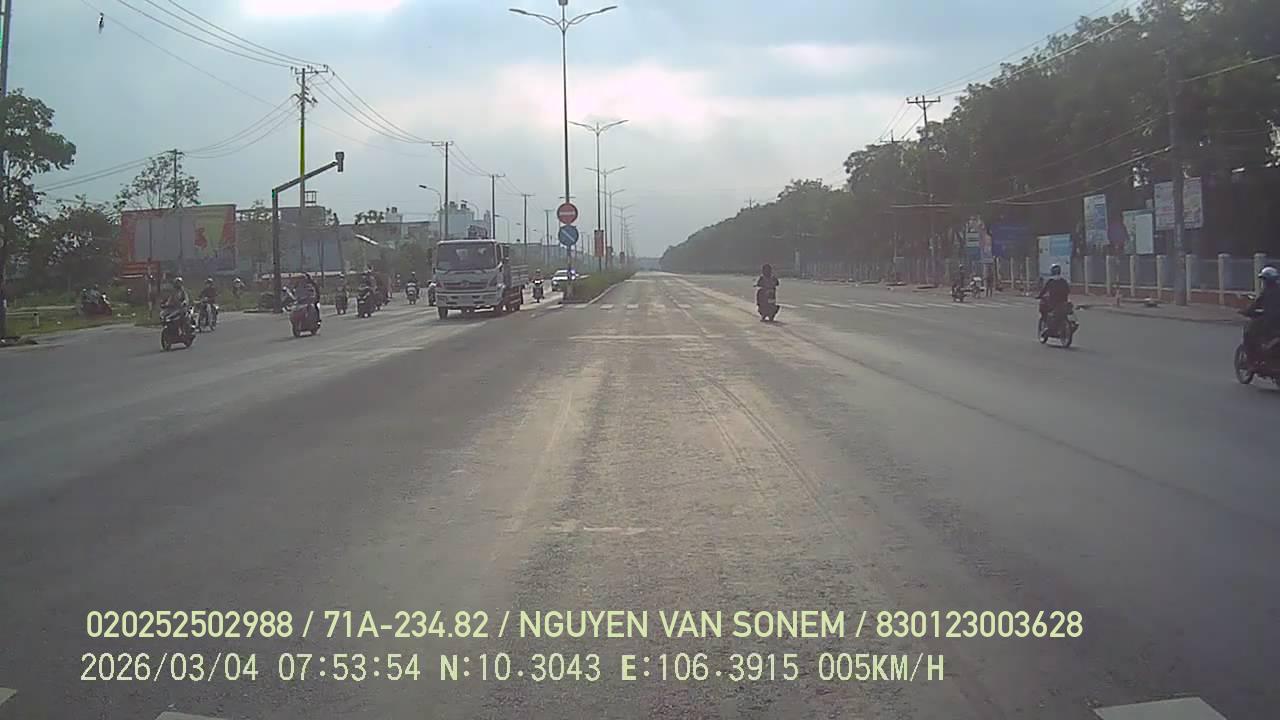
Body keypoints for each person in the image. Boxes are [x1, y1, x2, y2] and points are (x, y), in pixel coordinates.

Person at [1242, 266, 1280, 360]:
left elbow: (1256, 304)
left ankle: (1252, 357)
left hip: (1270, 321)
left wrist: (1247, 311)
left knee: (1249, 332)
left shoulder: (1266, 292)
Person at [1037, 264, 1071, 337]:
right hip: (1064, 302)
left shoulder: (1050, 281)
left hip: (1053, 303)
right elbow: (1068, 290)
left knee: (1044, 309)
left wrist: (1039, 296)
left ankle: (1047, 326)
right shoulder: (1063, 281)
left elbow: (1044, 290)